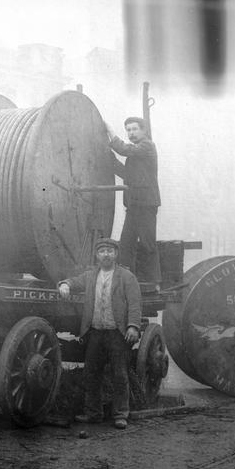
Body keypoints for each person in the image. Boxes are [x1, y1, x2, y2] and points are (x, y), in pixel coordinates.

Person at [58, 237, 141, 430]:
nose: (106, 254)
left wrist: (133, 326)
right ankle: (93, 413)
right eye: (103, 251)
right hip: (95, 332)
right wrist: (65, 285)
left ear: (116, 254)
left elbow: (135, 304)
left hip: (116, 334)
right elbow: (74, 281)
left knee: (119, 374)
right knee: (91, 374)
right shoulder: (90, 275)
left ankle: (121, 414)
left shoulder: (126, 277)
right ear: (97, 255)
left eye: (110, 251)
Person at [104, 116, 161, 284]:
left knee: (147, 243)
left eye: (134, 129)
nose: (131, 133)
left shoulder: (147, 146)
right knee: (126, 243)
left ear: (144, 131)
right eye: (128, 130)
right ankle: (127, 280)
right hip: (134, 205)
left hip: (146, 204)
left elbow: (124, 149)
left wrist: (110, 133)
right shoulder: (137, 153)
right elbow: (127, 175)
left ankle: (153, 281)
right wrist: (110, 160)